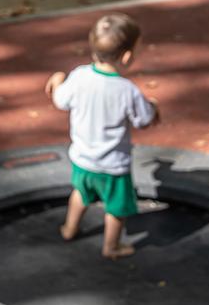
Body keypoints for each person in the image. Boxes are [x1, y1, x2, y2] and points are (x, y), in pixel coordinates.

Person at [44, 13, 159, 258]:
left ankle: (69, 228)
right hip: (113, 166)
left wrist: (56, 81)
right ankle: (111, 246)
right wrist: (154, 106)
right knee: (117, 208)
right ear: (127, 56)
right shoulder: (127, 90)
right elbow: (144, 119)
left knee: (81, 193)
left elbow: (60, 100)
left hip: (82, 159)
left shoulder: (78, 76)